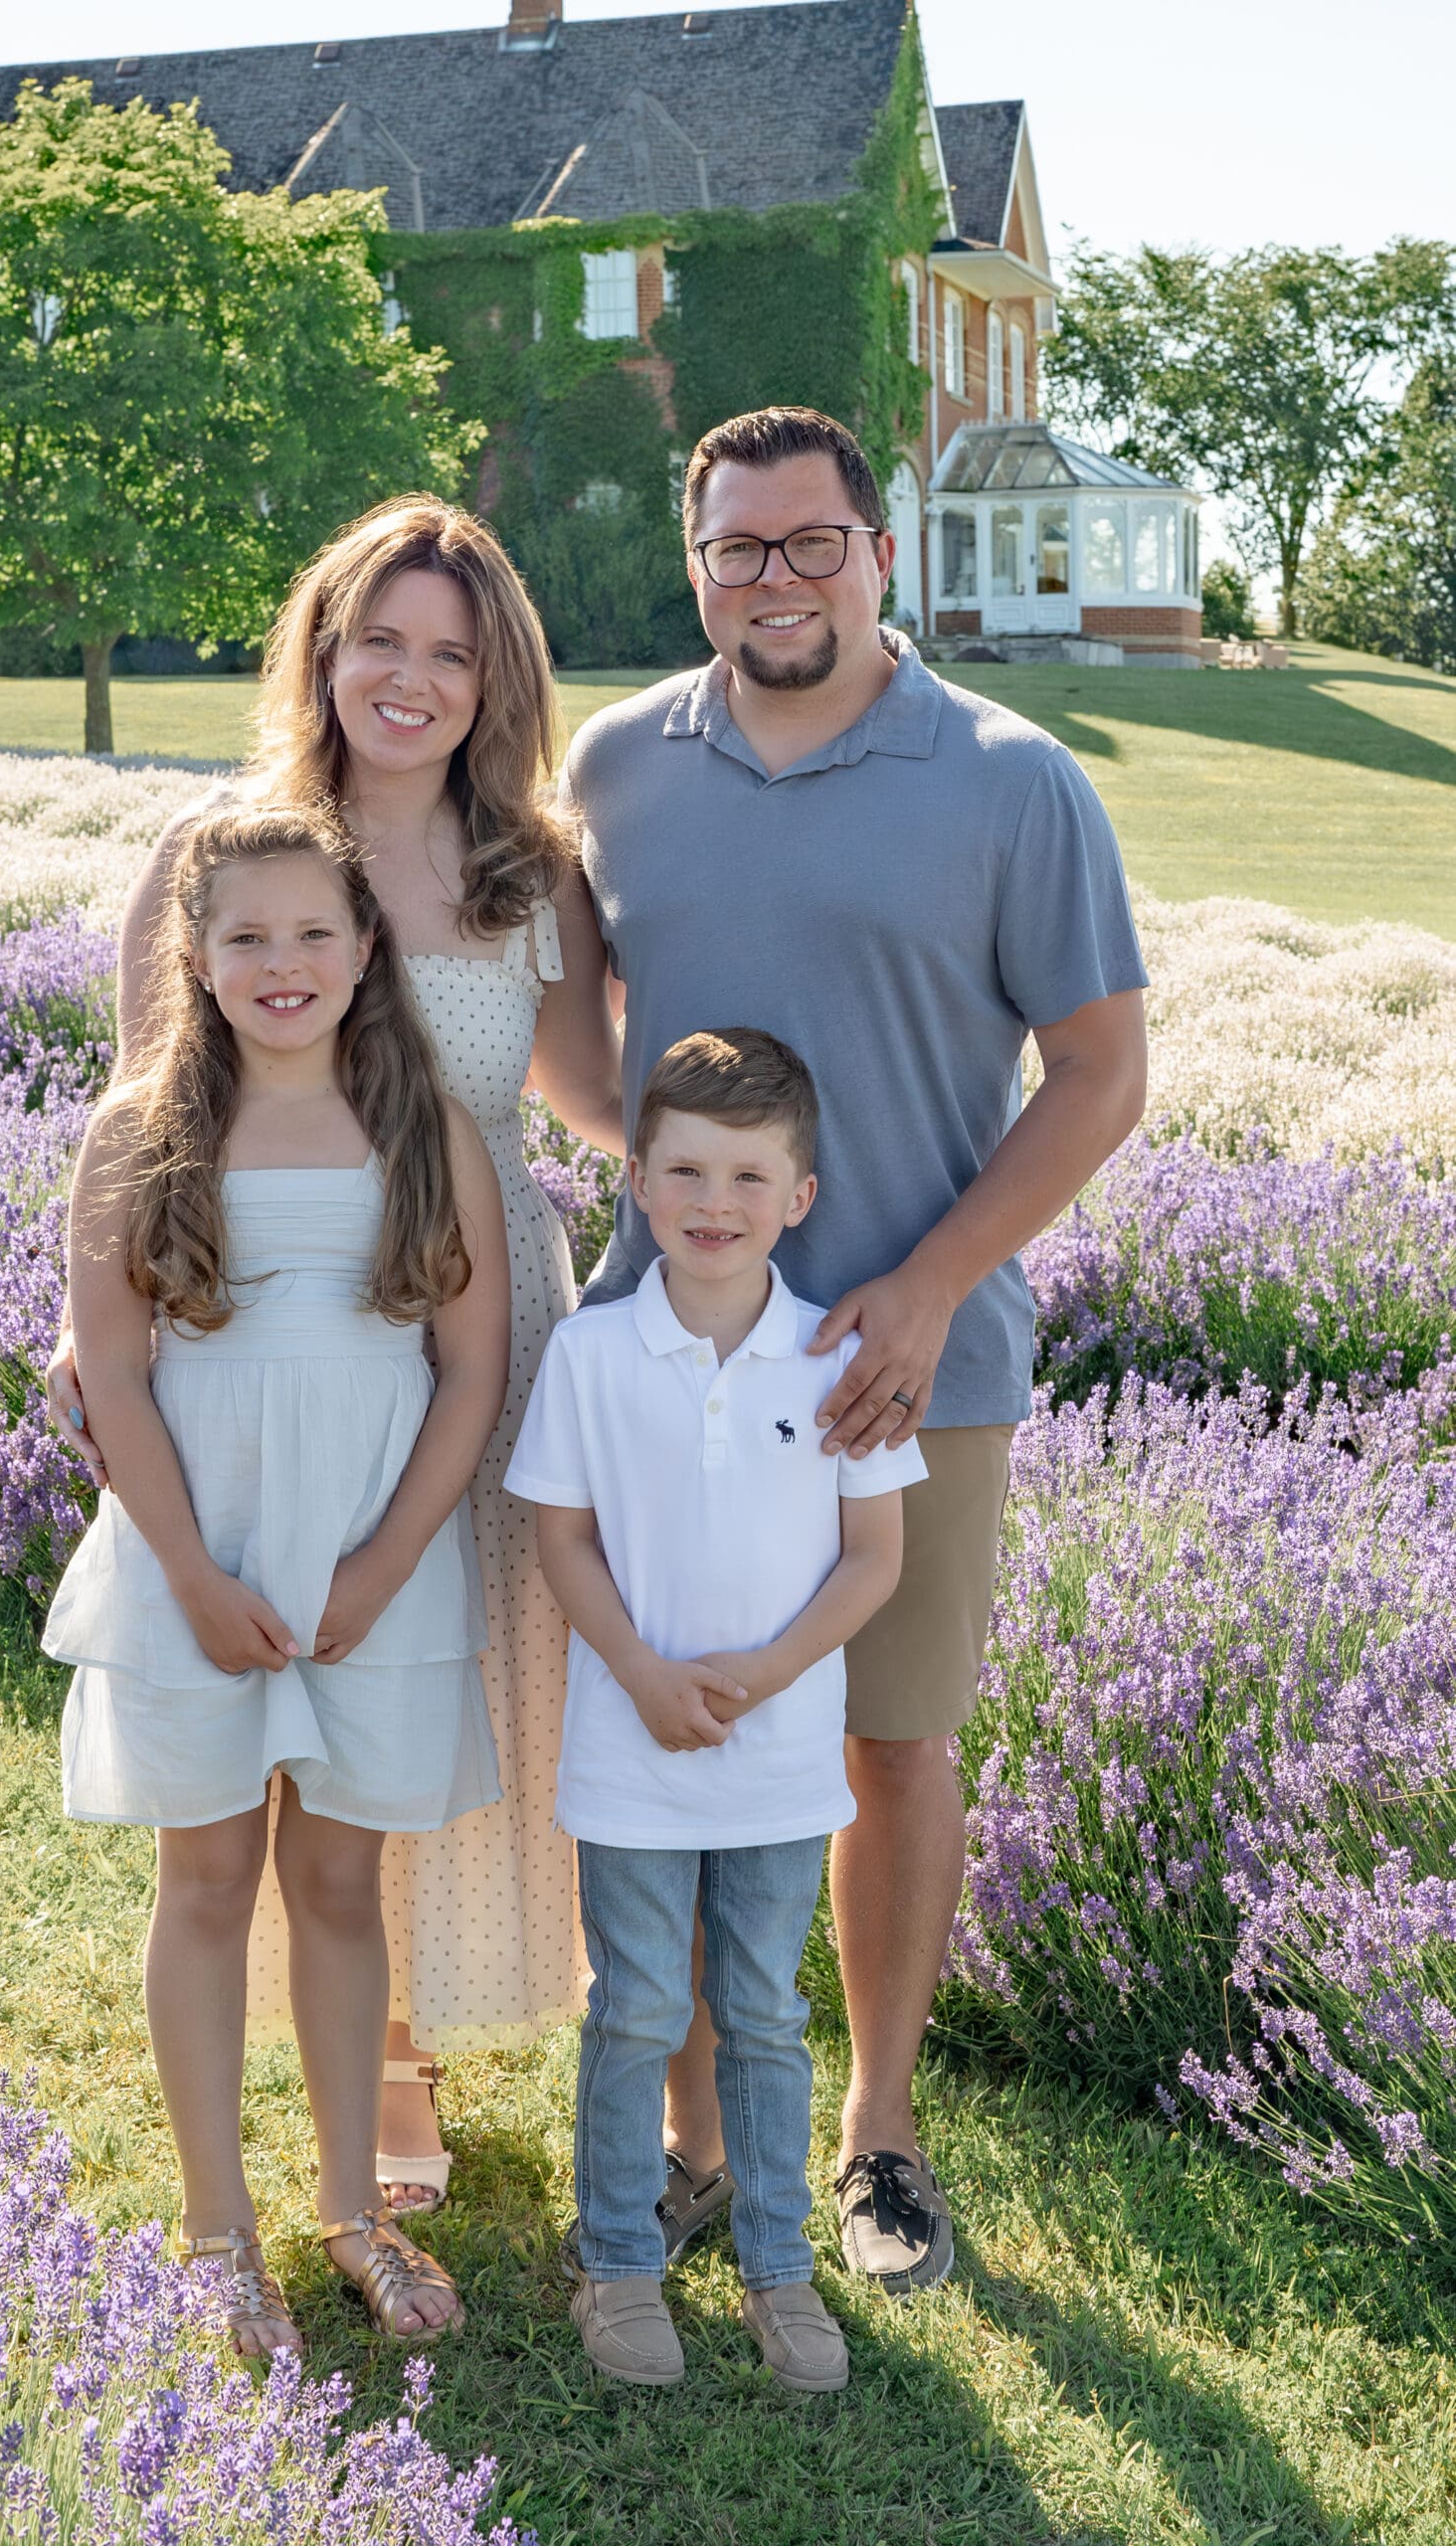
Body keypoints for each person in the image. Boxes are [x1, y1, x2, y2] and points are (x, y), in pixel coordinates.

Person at [560, 407, 1149, 2294]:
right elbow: (575, 1044)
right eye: (738, 551)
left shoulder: (1011, 777)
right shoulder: (619, 763)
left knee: (892, 1742)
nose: (775, 583)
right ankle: (696, 2131)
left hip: (913, 1366)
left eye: (812, 545)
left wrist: (919, 1282)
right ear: (696, 560)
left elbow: (1103, 1075)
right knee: (664, 1719)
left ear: (880, 554)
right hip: (664, 1362)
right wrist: (675, 1214)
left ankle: (882, 2137)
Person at [47, 498, 621, 2215]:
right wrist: (86, 1328)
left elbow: (589, 1098)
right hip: (261, 1314)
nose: (413, 677)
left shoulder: (532, 873)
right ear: (324, 646)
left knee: (439, 1672)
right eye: (383, 638)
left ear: (495, 680)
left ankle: (409, 2041)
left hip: (475, 1298)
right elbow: (156, 1116)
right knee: (286, 1688)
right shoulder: (228, 854)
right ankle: (359, 2086)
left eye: (454, 653)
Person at [43, 804, 510, 2351]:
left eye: (316, 931)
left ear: (370, 948)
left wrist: (382, 1567)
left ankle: (351, 2211)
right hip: (202, 1552)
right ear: (195, 951)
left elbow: (469, 1369)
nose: (283, 962)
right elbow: (112, 1370)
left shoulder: (423, 1126)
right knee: (209, 1879)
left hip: (374, 1561)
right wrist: (185, 1572)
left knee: (334, 1880)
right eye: (246, 935)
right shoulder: (140, 1128)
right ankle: (214, 2230)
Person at [507, 1028, 926, 2390]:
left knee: (758, 2012)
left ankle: (777, 2268)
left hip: (780, 1758)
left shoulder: (834, 1358)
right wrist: (637, 1668)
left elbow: (876, 1562)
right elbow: (562, 1537)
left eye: (750, 1175)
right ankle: (622, 2262)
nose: (714, 1201)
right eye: (684, 1168)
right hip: (630, 1752)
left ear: (799, 1196)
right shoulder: (592, 1354)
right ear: (635, 1180)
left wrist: (764, 1674)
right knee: (634, 2009)